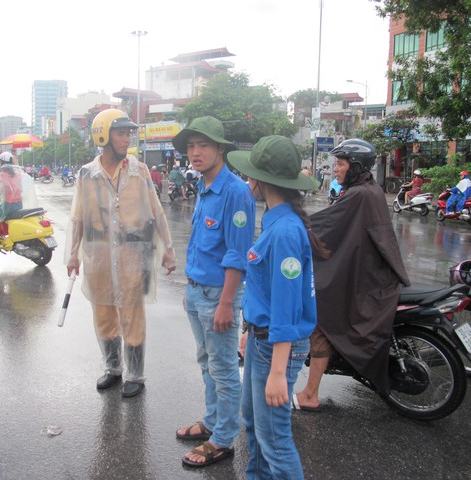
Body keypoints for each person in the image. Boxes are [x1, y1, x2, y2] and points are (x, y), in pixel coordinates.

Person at [228, 135, 328, 479]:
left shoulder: (284, 230)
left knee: (275, 440)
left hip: (276, 347)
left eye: (250, 175)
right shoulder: (275, 220)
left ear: (261, 180)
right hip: (263, 339)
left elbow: (285, 307)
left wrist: (277, 374)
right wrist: (249, 331)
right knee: (254, 425)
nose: (247, 182)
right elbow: (267, 291)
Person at [65, 109, 177, 398]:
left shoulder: (138, 171)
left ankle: (136, 375)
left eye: (129, 132)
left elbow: (157, 211)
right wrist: (73, 254)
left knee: (132, 316)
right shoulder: (87, 174)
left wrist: (169, 250)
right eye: (120, 132)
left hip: (132, 256)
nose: (127, 137)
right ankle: (113, 368)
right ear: (103, 135)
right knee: (103, 314)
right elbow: (77, 218)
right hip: (99, 257)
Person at [293, 138, 410, 411]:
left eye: (340, 164)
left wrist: (295, 226)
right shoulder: (369, 189)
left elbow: (327, 224)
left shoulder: (359, 195)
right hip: (370, 270)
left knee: (322, 317)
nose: (335, 169)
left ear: (356, 166)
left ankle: (310, 393)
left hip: (366, 278)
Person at [172, 116, 256, 468]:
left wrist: (225, 304)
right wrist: (190, 288)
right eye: (191, 146)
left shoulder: (235, 192)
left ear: (220, 148)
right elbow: (200, 245)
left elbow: (237, 256)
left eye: (203, 145)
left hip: (218, 296)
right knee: (207, 362)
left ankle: (223, 439)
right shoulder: (205, 186)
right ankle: (211, 421)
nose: (195, 152)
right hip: (197, 292)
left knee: (222, 367)